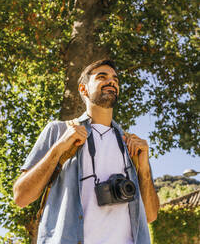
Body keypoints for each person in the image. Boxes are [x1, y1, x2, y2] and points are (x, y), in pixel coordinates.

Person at [13, 59, 160, 244]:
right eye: (102, 77)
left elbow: (150, 216)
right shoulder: (59, 131)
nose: (111, 81)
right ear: (83, 89)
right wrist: (58, 149)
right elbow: (21, 197)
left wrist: (144, 168)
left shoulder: (131, 146)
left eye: (115, 79)